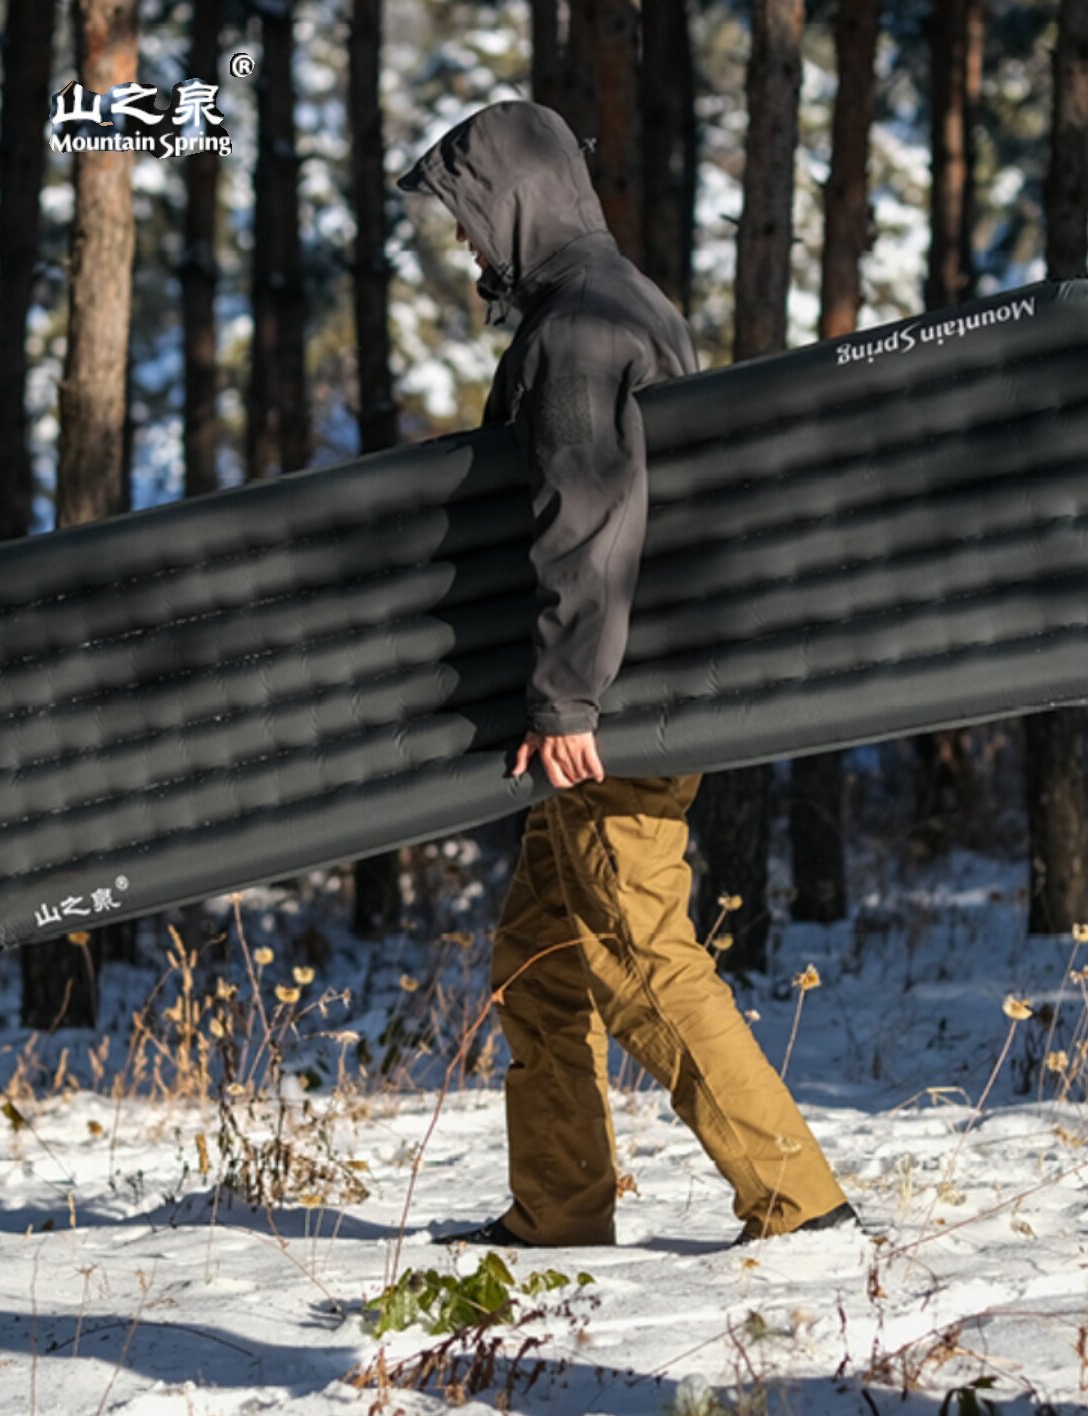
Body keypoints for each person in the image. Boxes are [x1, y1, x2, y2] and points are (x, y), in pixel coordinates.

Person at [396, 99, 856, 1248]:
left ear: (515, 202)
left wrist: (565, 696)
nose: (462, 240)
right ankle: (560, 1206)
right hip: (618, 689)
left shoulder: (582, 330)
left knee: (639, 954)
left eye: (467, 214)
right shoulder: (616, 301)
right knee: (539, 953)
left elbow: (586, 517)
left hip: (608, 705)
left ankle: (801, 1204)